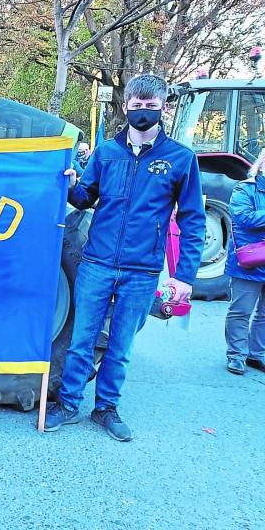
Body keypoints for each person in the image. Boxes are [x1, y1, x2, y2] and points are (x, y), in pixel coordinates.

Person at [44, 74, 206, 441]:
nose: (143, 112)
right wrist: (71, 184)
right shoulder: (106, 153)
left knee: (120, 345)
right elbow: (85, 197)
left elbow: (193, 219)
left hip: (142, 270)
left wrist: (184, 276)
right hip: (97, 264)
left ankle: (106, 408)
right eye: (137, 106)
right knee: (82, 339)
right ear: (126, 107)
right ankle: (68, 404)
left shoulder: (181, 159)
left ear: (164, 108)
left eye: (151, 106)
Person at [223, 150, 265, 375]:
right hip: (250, 260)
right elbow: (244, 218)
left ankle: (257, 354)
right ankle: (236, 355)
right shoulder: (244, 189)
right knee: (241, 310)